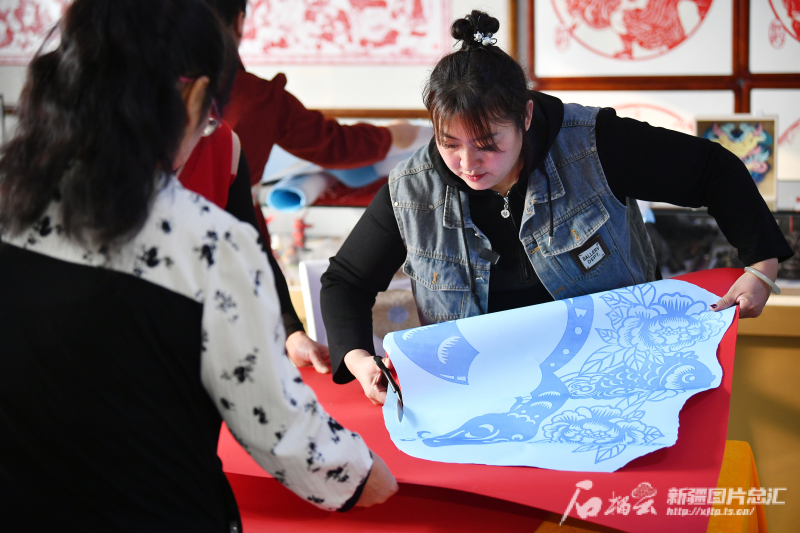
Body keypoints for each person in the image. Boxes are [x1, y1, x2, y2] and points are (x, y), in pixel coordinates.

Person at [0, 0, 397, 530]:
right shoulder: (208, 244)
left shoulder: (11, 201)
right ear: (191, 98)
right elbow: (278, 428)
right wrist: (364, 474)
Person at [319, 11, 795, 406]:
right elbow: (345, 281)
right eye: (450, 144)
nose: (468, 163)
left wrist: (762, 264)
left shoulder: (593, 145)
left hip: (616, 376)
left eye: (487, 144)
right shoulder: (412, 189)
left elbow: (713, 169)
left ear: (526, 115)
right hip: (486, 395)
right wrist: (359, 360)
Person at [200, 0, 419, 375]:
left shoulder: (144, 97)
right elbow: (334, 144)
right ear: (238, 22)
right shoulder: (256, 100)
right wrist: (392, 137)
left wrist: (289, 330)